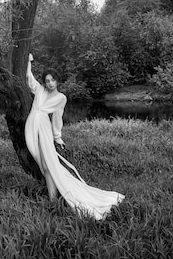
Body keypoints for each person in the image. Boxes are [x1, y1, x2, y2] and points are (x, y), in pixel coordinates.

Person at [24, 53, 125, 220]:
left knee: (48, 166)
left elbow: (57, 117)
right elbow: (29, 78)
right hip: (31, 128)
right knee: (43, 163)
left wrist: (57, 137)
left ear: (57, 80)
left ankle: (53, 200)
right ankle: (53, 197)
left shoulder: (60, 98)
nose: (50, 83)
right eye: (47, 80)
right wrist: (28, 61)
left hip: (43, 129)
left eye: (53, 80)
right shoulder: (40, 90)